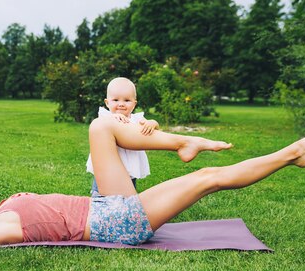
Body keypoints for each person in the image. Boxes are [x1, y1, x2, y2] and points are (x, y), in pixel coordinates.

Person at [0, 115, 305, 247]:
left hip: (104, 204)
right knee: (209, 179)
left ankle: (181, 143)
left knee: (100, 126)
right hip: (118, 223)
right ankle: (294, 153)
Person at [85, 77, 230, 195]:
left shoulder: (136, 119)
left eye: (127, 100)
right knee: (102, 192)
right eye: (116, 100)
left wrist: (152, 123)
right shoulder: (105, 117)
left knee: (129, 193)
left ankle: (129, 202)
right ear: (107, 102)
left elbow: (152, 129)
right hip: (107, 170)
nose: (121, 104)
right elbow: (102, 128)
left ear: (134, 104)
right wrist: (114, 119)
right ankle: (98, 198)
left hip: (129, 168)